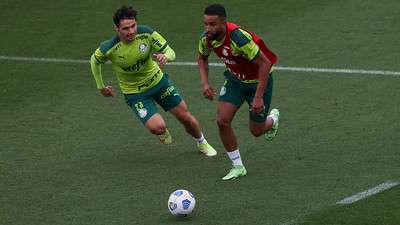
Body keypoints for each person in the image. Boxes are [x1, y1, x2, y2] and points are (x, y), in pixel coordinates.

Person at [90, 5, 216, 156]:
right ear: (116, 28)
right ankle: (162, 132)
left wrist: (166, 56)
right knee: (158, 127)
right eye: (125, 28)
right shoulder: (109, 47)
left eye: (133, 26)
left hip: (159, 83)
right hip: (135, 93)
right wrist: (101, 86)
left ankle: (202, 142)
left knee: (186, 118)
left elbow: (171, 52)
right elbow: (94, 60)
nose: (131, 31)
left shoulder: (147, 34)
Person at [197, 4, 280, 180]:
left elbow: (265, 64)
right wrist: (205, 83)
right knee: (222, 120)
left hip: (258, 81)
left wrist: (258, 97)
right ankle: (238, 166)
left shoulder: (238, 38)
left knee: (256, 131)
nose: (208, 28)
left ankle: (272, 121)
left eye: (212, 24)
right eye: (205, 24)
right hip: (235, 80)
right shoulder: (206, 39)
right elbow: (202, 58)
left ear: (223, 23)